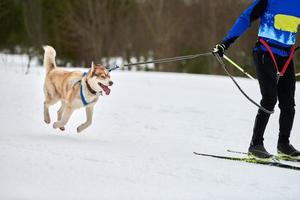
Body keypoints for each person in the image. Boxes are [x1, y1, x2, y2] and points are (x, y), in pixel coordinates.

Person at [214, 0, 300, 160]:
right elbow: (245, 18)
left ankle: (284, 145)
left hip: (286, 57)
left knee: (288, 104)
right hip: (265, 53)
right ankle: (255, 145)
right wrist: (225, 43)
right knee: (269, 99)